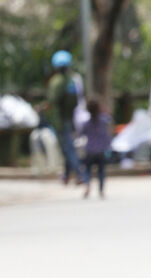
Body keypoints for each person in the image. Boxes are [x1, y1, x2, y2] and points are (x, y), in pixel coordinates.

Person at [45, 50, 86, 185]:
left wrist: (42, 108)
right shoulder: (71, 80)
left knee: (68, 148)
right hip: (70, 118)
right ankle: (66, 175)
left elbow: (52, 100)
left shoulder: (56, 82)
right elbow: (76, 101)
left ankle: (80, 175)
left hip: (60, 120)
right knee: (67, 146)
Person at [81, 98, 112, 199]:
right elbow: (110, 119)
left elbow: (81, 134)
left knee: (87, 170)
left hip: (90, 150)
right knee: (101, 171)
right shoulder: (103, 120)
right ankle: (101, 190)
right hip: (101, 150)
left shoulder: (86, 123)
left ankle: (87, 185)